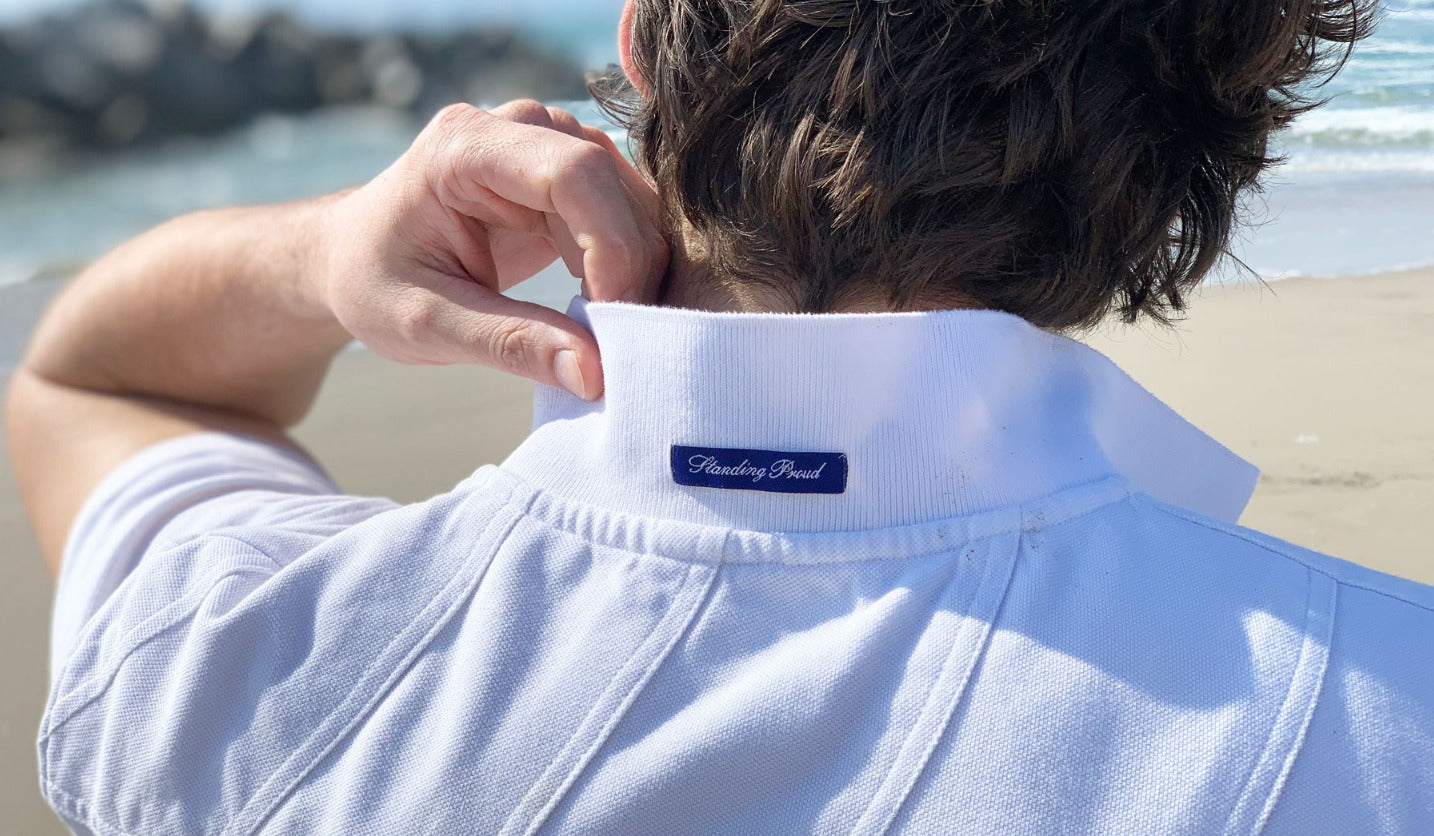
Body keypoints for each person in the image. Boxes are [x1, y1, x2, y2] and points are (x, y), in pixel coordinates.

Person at [9, 0, 1430, 832]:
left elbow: (90, 383)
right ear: (1210, 156)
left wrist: (321, 255)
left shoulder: (238, 672)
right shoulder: (1390, 723)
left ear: (634, 42)